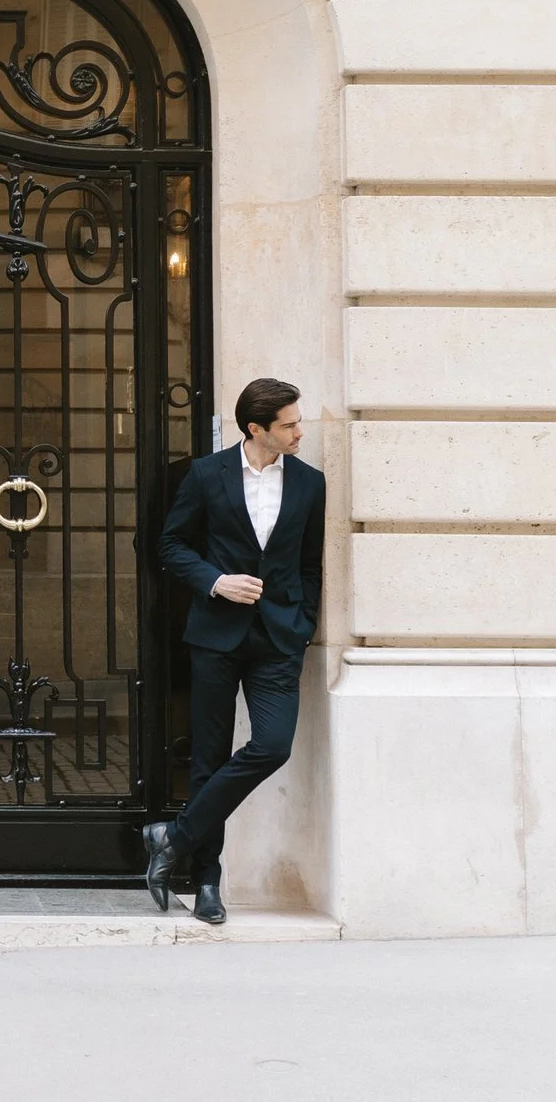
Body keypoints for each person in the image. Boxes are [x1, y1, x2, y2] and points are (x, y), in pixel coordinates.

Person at [141, 378, 323, 926]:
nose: (299, 430)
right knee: (209, 758)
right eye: (289, 424)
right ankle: (207, 882)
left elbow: (310, 562)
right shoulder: (206, 475)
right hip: (216, 635)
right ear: (256, 429)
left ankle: (171, 835)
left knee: (272, 746)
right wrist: (216, 581)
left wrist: (303, 622)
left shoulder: (311, 484)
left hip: (279, 638)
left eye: (297, 420)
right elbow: (171, 546)